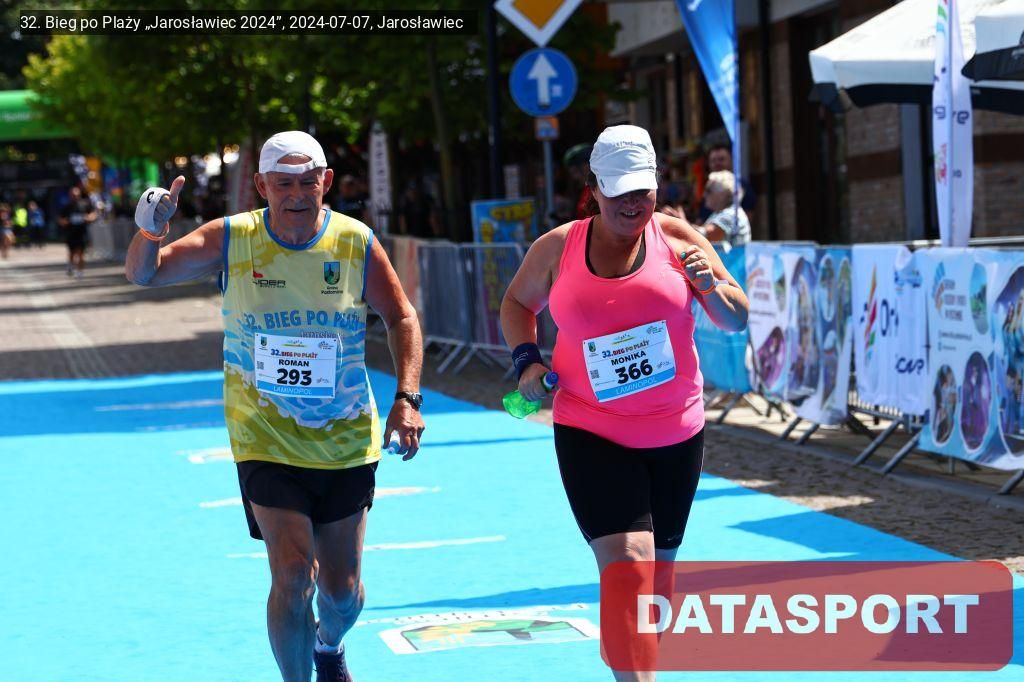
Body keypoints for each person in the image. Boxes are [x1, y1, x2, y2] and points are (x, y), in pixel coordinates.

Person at [125, 131, 426, 682]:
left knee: (342, 594)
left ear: (325, 182)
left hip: (344, 438)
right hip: (264, 435)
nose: (296, 195)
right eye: (282, 184)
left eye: (307, 183)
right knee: (292, 575)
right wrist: (150, 230)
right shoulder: (233, 237)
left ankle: (329, 646)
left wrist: (407, 398)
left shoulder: (354, 241)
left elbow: (402, 317)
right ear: (262, 186)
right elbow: (145, 273)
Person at [500, 125, 749, 681]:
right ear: (594, 189)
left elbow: (736, 319)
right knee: (628, 565)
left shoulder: (679, 239)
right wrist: (528, 362)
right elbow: (517, 302)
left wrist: (710, 285)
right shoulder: (559, 247)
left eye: (642, 190)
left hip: (675, 433)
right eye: (618, 192)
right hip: (591, 428)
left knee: (656, 588)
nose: (632, 204)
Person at [698, 143, 756, 223]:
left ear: (732, 161)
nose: (717, 164)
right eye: (713, 161)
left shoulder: (740, 186)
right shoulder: (709, 187)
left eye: (721, 159)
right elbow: (701, 220)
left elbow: (747, 219)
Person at [697, 170, 751, 251]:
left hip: (732, 259)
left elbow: (703, 235)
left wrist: (680, 224)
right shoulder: (724, 212)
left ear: (723, 194)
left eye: (708, 190)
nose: (704, 194)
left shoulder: (731, 214)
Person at [58, 186, 97, 277]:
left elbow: (93, 214)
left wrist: (88, 218)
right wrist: (65, 222)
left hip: (82, 232)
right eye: (73, 195)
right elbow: (60, 219)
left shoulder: (85, 204)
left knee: (81, 253)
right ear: (70, 195)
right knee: (72, 252)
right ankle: (70, 266)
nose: (75, 197)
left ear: (79, 195)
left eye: (76, 195)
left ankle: (80, 271)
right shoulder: (67, 206)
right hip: (71, 233)